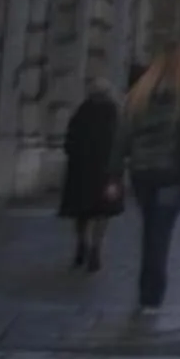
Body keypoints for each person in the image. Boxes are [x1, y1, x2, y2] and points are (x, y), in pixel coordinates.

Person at [116, 45, 180, 315]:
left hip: (141, 171)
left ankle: (146, 292)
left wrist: (112, 170)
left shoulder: (140, 93)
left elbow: (123, 135)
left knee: (150, 228)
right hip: (173, 171)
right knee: (160, 233)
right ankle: (151, 297)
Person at [59, 84, 122, 271]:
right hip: (107, 170)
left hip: (80, 171)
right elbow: (121, 141)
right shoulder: (115, 115)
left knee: (81, 212)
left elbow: (69, 142)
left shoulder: (81, 113)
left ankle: (82, 242)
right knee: (104, 211)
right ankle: (96, 247)